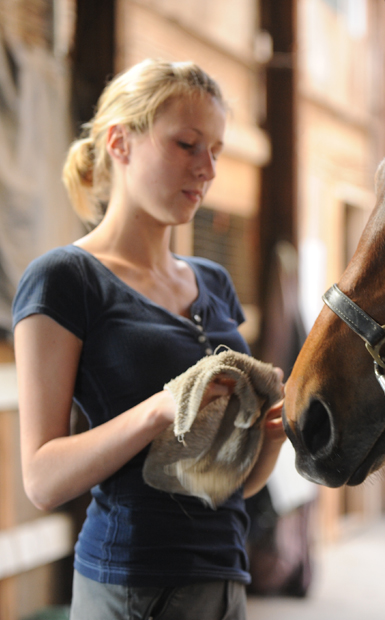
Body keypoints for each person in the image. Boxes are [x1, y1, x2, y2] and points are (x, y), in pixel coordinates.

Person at [11, 58, 286, 619]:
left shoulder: (213, 282)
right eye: (187, 144)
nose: (207, 168)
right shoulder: (65, 278)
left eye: (216, 149)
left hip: (227, 580)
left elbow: (231, 485)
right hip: (131, 586)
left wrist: (273, 440)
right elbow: (40, 479)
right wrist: (160, 411)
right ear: (121, 142)